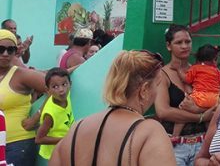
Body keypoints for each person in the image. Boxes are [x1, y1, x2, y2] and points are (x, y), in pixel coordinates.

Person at [49, 50, 176, 165]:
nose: (157, 92)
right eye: (157, 85)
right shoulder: (149, 133)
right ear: (144, 90)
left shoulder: (77, 128)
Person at [155, 24, 214, 166]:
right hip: (175, 146)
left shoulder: (200, 71)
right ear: (169, 46)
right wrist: (200, 117)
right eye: (179, 42)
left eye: (188, 42)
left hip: (202, 143)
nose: (184, 46)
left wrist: (201, 112)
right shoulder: (162, 74)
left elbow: (213, 105)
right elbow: (163, 111)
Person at [0, 29, 46, 165]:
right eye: (0, 49)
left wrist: (36, 117)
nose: (5, 54)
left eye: (10, 50)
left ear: (16, 52)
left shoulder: (21, 75)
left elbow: (56, 87)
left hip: (16, 145)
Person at [172, 44, 220, 137]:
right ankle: (210, 137)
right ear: (214, 59)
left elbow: (186, 79)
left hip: (200, 97)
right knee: (209, 119)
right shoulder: (218, 72)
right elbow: (219, 83)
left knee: (182, 111)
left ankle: (175, 136)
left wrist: (178, 69)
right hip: (214, 100)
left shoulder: (195, 68)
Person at [36, 67, 74, 160]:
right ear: (48, 90)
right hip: (55, 154)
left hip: (66, 147)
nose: (61, 89)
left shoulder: (66, 95)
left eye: (64, 84)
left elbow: (66, 73)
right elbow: (39, 139)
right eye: (55, 87)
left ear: (70, 84)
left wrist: (81, 64)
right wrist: (65, 140)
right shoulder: (50, 114)